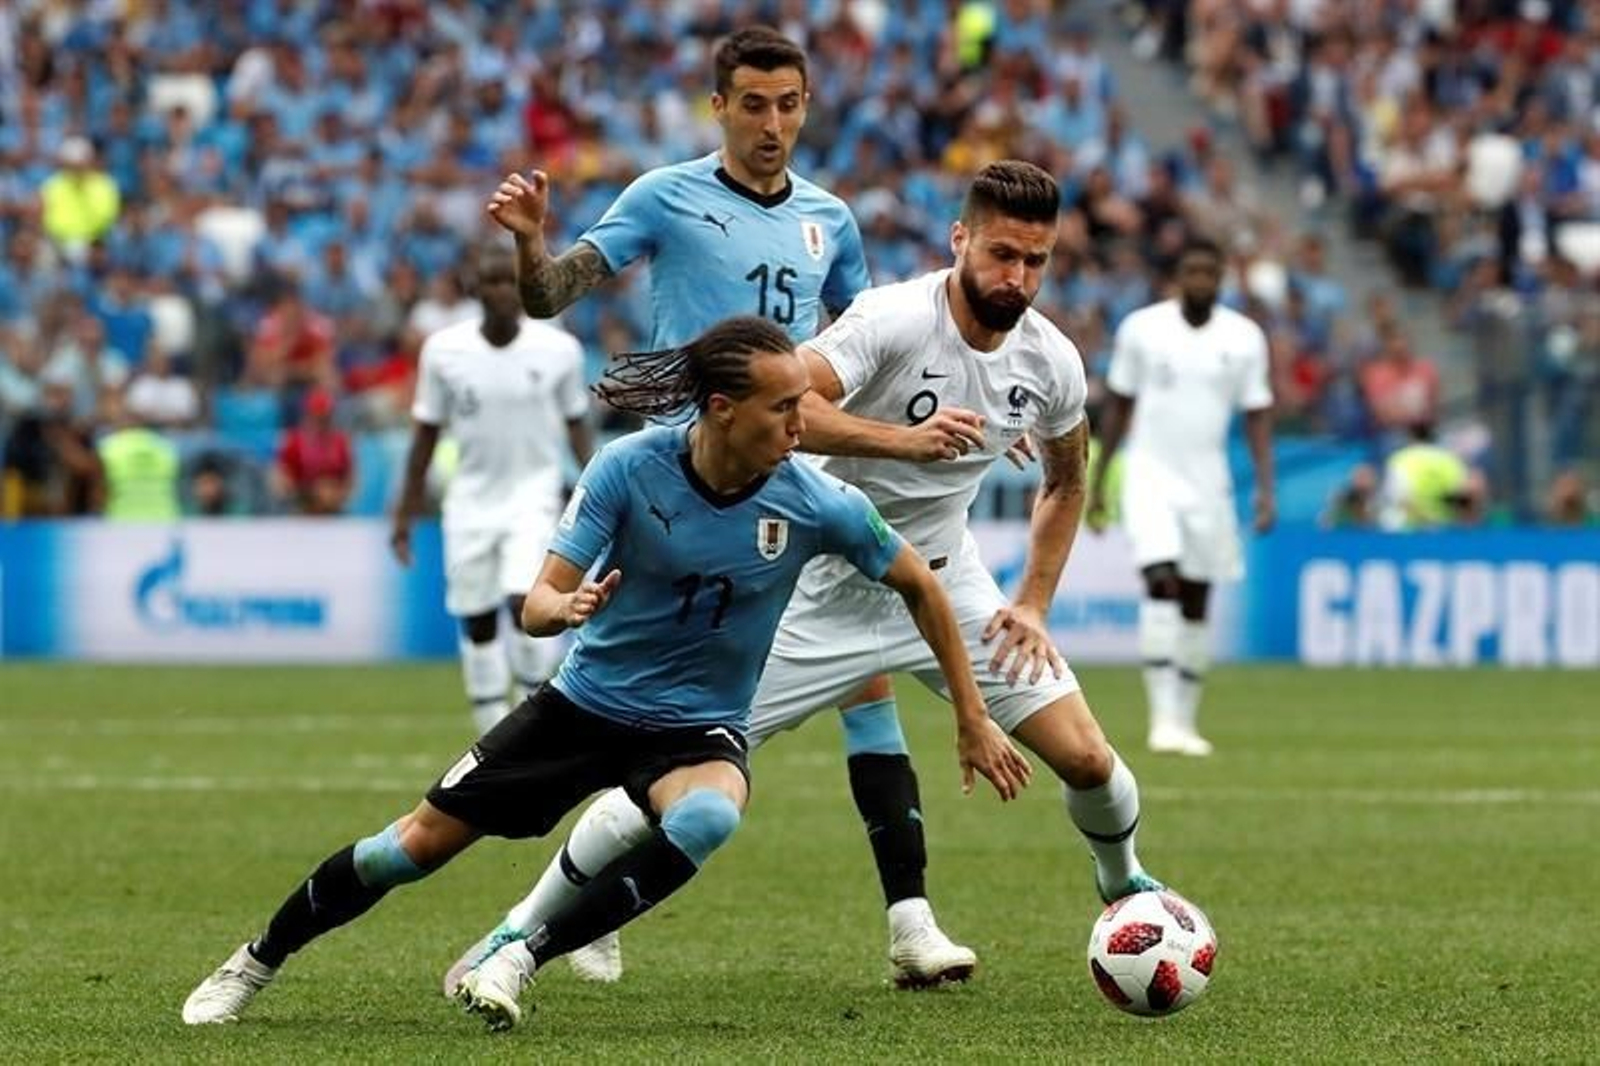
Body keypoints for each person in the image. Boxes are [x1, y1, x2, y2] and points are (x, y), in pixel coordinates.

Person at [180, 316, 1030, 1030]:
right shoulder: (630, 469)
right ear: (724, 410)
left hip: (696, 728)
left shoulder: (813, 500)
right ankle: (256, 960)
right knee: (409, 850)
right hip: (584, 706)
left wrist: (970, 714)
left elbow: (920, 582)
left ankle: (519, 955)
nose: (802, 426)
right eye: (784, 409)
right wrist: (571, 607)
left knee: (708, 817)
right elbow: (537, 604)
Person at [454, 161, 1166, 996]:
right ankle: (517, 931)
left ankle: (1124, 887)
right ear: (960, 239)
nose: (1019, 279)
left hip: (942, 587)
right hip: (812, 591)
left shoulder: (1051, 360)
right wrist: (908, 439)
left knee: (1088, 758)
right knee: (670, 778)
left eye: (1037, 261)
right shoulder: (894, 319)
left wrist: (1034, 602)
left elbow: (1068, 478)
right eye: (1004, 255)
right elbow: (802, 407)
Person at [485, 25, 986, 984]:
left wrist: (882, 440)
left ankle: (912, 924)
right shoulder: (664, 197)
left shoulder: (832, 221)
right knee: (658, 724)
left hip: (789, 476)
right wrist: (531, 244)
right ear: (717, 106)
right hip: (681, 484)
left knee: (866, 684)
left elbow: (855, 357)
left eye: (788, 104)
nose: (771, 124)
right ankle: (542, 921)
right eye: (751, 104)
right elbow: (550, 296)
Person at [391, 247, 595, 734]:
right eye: (492, 282)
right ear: (474, 290)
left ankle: (534, 720)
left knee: (524, 603)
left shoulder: (558, 349)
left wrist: (599, 493)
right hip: (470, 501)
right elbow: (425, 434)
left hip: (534, 495)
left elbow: (578, 428)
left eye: (511, 281)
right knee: (477, 617)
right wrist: (404, 512)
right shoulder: (443, 351)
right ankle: (489, 733)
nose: (503, 291)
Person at [1087, 234, 1276, 758]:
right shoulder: (1143, 330)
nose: (1199, 281)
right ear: (1177, 278)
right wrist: (1100, 482)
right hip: (1149, 472)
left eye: (1208, 273)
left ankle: (1185, 720)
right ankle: (1162, 718)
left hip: (1208, 481)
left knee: (1197, 597)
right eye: (1190, 271)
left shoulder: (1244, 338)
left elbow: (1258, 414)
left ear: (1221, 279)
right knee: (1160, 580)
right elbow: (1119, 407)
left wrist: (1264, 489)